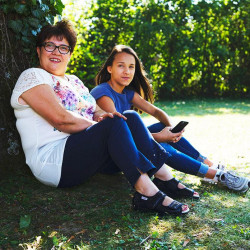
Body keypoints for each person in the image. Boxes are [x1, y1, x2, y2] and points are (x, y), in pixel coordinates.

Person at [10, 20, 198, 216]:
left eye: (63, 48)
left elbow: (97, 110)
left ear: (70, 54)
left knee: (129, 116)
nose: (56, 52)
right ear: (39, 51)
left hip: (85, 155)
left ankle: (164, 178)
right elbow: (61, 119)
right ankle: (148, 194)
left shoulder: (73, 81)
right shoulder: (33, 76)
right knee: (116, 122)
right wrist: (104, 126)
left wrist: (103, 118)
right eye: (50, 46)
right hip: (54, 162)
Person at [91, 45, 249, 193]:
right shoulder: (103, 93)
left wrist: (172, 130)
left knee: (162, 128)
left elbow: (156, 111)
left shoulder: (128, 93)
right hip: (112, 157)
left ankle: (210, 165)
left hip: (126, 148)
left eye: (131, 66)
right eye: (121, 66)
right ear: (109, 68)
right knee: (161, 145)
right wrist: (161, 137)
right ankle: (217, 175)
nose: (127, 71)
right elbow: (121, 137)